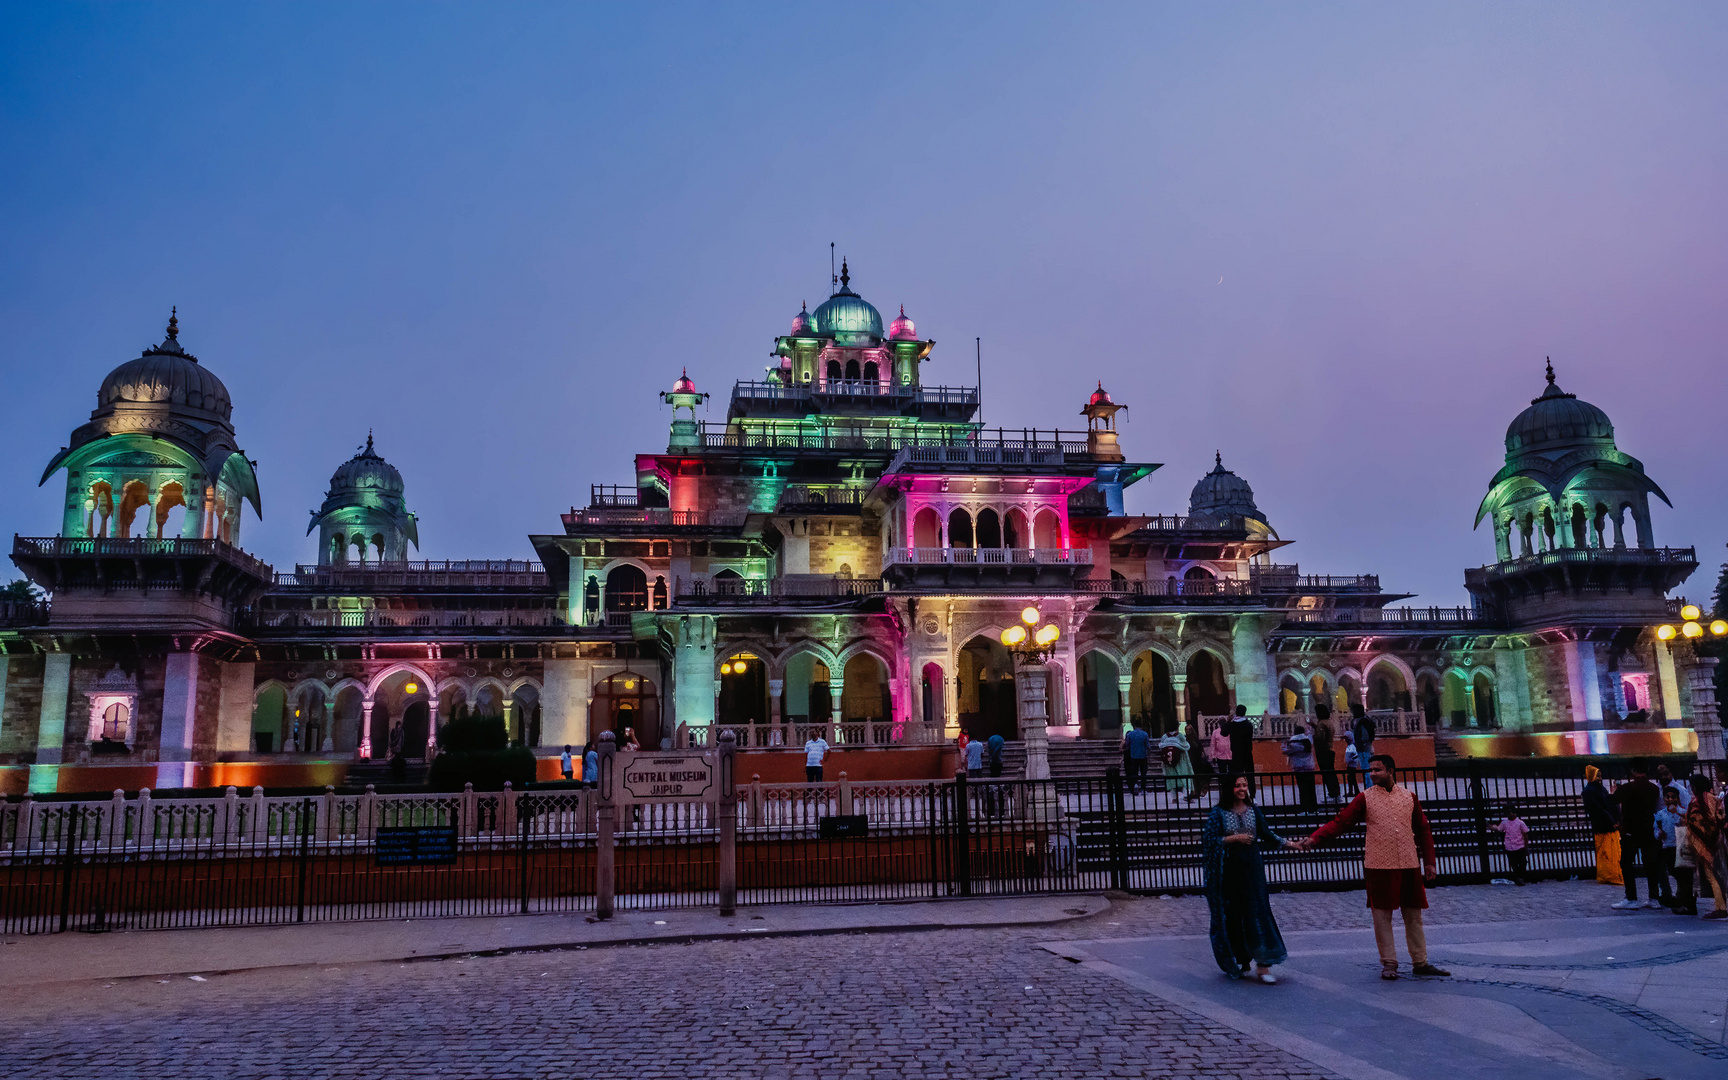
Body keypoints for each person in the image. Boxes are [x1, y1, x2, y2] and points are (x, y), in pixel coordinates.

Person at [1296, 754, 1450, 980]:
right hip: (1379, 864)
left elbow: (1423, 830)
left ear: (1390, 771)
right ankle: (1389, 962)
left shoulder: (1409, 797)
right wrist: (1315, 838)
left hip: (1408, 863)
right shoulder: (1365, 798)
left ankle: (1420, 961)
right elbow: (1341, 822)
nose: (1372, 774)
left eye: (1377, 770)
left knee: (1413, 915)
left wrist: (1429, 861)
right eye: (1371, 770)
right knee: (1381, 915)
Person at [1203, 773, 1291, 983]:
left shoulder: (1254, 811)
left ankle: (1263, 965)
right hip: (1229, 870)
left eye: (1244, 785)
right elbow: (1209, 840)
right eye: (1237, 785)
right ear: (1229, 789)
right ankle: (1240, 960)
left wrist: (1290, 844)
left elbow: (1267, 835)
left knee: (1258, 912)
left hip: (1252, 868)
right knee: (1233, 915)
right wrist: (1234, 838)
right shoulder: (1218, 813)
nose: (1242, 789)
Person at [1611, 758, 1667, 910]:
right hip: (1649, 830)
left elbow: (1612, 801)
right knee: (1651, 864)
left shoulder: (1626, 788)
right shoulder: (1654, 789)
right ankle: (1653, 897)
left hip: (1630, 830)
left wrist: (1613, 791)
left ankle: (1631, 897)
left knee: (1627, 863)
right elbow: (1659, 808)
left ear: (1633, 771)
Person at [1684, 782, 1727, 918]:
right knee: (1721, 873)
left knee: (1711, 876)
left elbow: (1693, 822)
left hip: (1703, 844)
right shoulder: (1715, 798)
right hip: (1718, 841)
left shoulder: (1695, 802)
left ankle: (1720, 907)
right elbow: (1720, 817)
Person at [1582, 766, 1623, 886]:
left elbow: (1607, 804)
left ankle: (1609, 874)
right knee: (1605, 852)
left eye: (1600, 775)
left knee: (1608, 851)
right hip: (1602, 824)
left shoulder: (1598, 788)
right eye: (1597, 775)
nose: (1599, 777)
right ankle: (1608, 874)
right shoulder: (1590, 791)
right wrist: (1612, 821)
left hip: (1606, 823)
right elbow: (1599, 809)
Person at [1655, 787, 1691, 913]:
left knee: (1684, 875)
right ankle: (1680, 897)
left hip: (1681, 846)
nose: (1670, 799)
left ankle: (1686, 901)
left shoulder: (1683, 812)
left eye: (1673, 797)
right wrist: (1658, 834)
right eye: (1667, 797)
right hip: (1667, 847)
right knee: (1673, 871)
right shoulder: (1660, 814)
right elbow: (1655, 829)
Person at [1490, 805, 1530, 886]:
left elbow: (1499, 829)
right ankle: (1519, 877)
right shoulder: (1510, 822)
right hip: (1513, 846)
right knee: (1518, 863)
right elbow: (1499, 829)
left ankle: (1519, 877)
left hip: (1517, 846)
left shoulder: (1518, 823)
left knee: (1520, 863)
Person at [1282, 721, 1317, 812]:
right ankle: (1314, 808)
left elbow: (1285, 751)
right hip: (1309, 767)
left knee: (1303, 789)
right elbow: (1310, 733)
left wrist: (1284, 744)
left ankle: (1305, 808)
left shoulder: (1293, 743)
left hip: (1299, 768)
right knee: (1311, 788)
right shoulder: (1308, 740)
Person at [1159, 724, 1197, 800]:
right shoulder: (1180, 736)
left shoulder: (1164, 737)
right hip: (1181, 760)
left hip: (1168, 762)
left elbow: (1161, 747)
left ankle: (1174, 797)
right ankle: (1186, 795)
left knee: (1171, 779)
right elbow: (1186, 746)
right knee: (1185, 777)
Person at [1312, 704, 1339, 803]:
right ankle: (1336, 793)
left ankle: (1332, 794)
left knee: (1327, 773)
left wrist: (1314, 736)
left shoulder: (1322, 723)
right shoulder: (1329, 722)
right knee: (1331, 772)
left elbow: (1320, 738)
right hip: (1330, 749)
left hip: (1323, 750)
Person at [1223, 705, 1256, 787]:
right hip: (1247, 752)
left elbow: (1223, 733)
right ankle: (1252, 795)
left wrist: (1228, 721)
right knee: (1250, 775)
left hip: (1236, 753)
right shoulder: (1248, 724)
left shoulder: (1232, 724)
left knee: (1236, 775)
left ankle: (1236, 793)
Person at [1349, 705, 1375, 789]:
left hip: (1364, 749)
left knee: (1366, 769)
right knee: (1366, 769)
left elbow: (1365, 736)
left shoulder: (1363, 721)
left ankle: (1369, 788)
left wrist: (1361, 745)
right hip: (1364, 748)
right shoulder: (1363, 720)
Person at [1122, 722, 1152, 794]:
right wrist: (1149, 755)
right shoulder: (1145, 734)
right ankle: (1143, 788)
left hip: (1133, 755)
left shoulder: (1130, 734)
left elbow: (1127, 745)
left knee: (1134, 772)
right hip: (1143, 755)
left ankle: (1135, 785)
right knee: (1143, 773)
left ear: (1134, 726)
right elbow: (1148, 746)